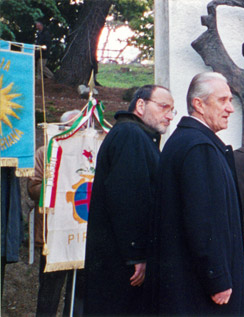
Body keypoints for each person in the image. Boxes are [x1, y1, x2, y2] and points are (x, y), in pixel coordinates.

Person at [149, 72, 244, 314]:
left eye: (230, 101)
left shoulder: (188, 141)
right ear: (199, 105)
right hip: (200, 291)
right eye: (223, 100)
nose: (230, 109)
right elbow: (203, 221)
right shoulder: (198, 148)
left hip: (188, 283)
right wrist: (218, 278)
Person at [83, 85, 175, 315]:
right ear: (141, 105)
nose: (170, 116)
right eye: (164, 107)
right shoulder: (131, 135)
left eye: (173, 110)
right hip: (123, 265)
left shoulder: (136, 135)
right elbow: (128, 199)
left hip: (120, 260)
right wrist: (136, 254)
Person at [28, 110, 85, 316]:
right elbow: (32, 189)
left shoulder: (89, 155)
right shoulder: (45, 152)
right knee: (50, 290)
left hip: (80, 232)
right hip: (53, 234)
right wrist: (54, 184)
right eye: (69, 127)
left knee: (78, 291)